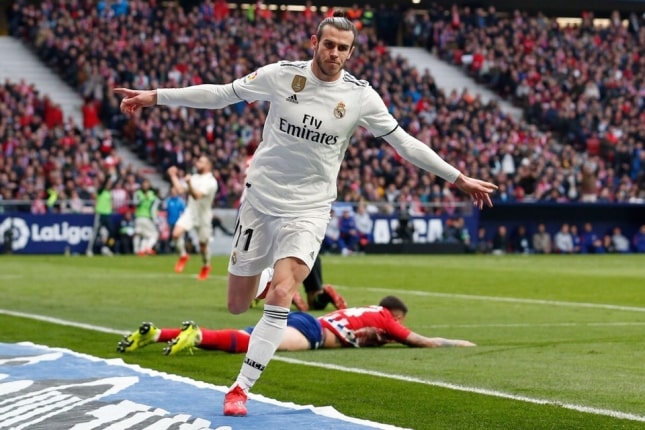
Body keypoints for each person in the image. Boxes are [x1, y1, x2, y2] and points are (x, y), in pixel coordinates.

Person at [114, 14, 496, 417]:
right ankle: (263, 277)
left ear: (351, 52)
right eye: (328, 44)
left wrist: (457, 178)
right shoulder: (282, 76)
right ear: (314, 42)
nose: (334, 53)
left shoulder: (361, 97)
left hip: (309, 208)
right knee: (237, 305)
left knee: (283, 294)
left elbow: (405, 143)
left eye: (342, 48)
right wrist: (155, 96)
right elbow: (221, 94)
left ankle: (240, 388)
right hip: (260, 200)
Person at [116, 295, 476, 356]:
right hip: (313, 333)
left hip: (308, 321)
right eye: (400, 322)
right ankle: (196, 335)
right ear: (394, 315)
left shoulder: (367, 311)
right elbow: (422, 342)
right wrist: (459, 344)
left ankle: (158, 334)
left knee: (252, 337)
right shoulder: (386, 320)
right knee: (253, 344)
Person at [167, 155, 218, 281]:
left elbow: (197, 196)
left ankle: (206, 265)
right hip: (190, 212)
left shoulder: (211, 182)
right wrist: (173, 176)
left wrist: (189, 184)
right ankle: (183, 255)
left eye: (201, 161)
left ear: (208, 166)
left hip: (204, 216)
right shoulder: (194, 177)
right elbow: (180, 190)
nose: (197, 163)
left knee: (203, 246)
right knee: (175, 234)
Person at [133, 179, 160, 256]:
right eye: (144, 184)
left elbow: (153, 207)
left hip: (144, 217)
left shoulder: (151, 195)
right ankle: (148, 247)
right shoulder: (138, 194)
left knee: (144, 235)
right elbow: (135, 203)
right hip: (143, 217)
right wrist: (156, 220)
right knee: (154, 234)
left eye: (147, 184)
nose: (145, 185)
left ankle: (141, 250)